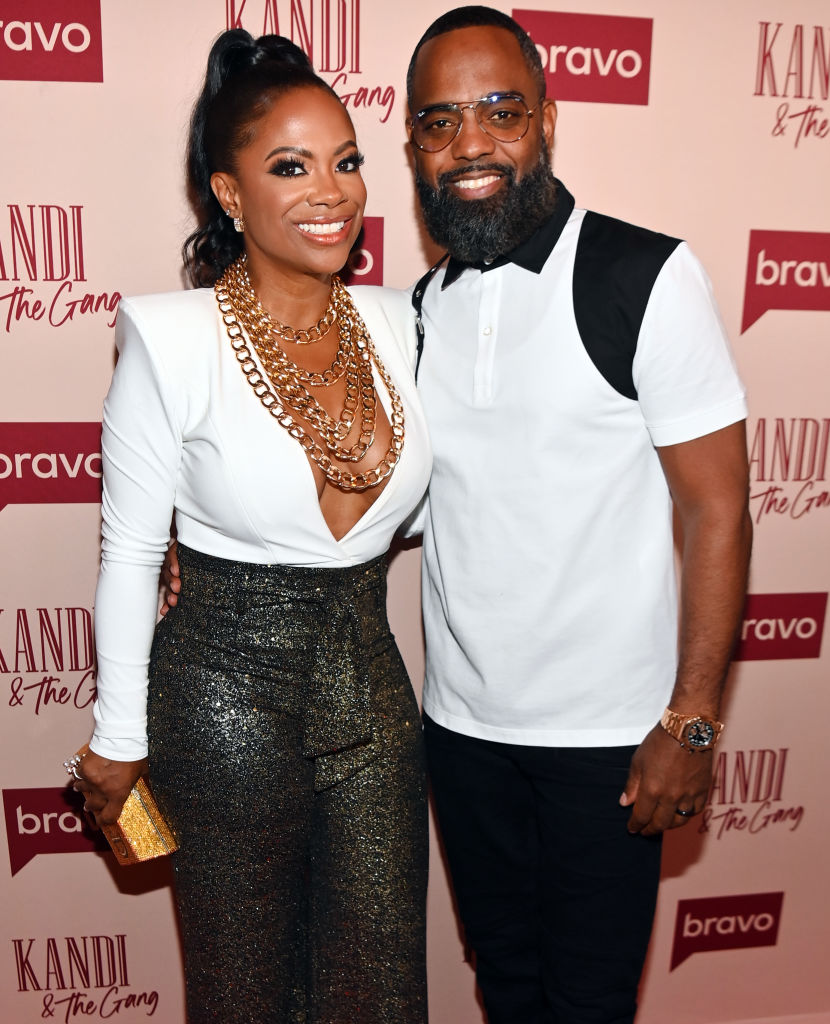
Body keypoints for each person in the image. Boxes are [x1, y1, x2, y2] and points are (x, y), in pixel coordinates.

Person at [69, 29, 431, 1024]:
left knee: (381, 983)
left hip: (373, 693)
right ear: (229, 193)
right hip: (222, 699)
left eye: (346, 161)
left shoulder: (404, 324)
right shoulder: (170, 339)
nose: (331, 192)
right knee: (243, 992)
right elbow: (131, 551)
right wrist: (118, 736)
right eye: (291, 167)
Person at [404, 7, 752, 1024]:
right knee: (506, 985)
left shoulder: (641, 275)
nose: (470, 143)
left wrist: (690, 721)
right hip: (461, 733)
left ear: (546, 120)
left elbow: (719, 510)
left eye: (500, 111)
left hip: (609, 742)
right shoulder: (418, 307)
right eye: (439, 121)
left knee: (589, 1002)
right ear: (415, 146)